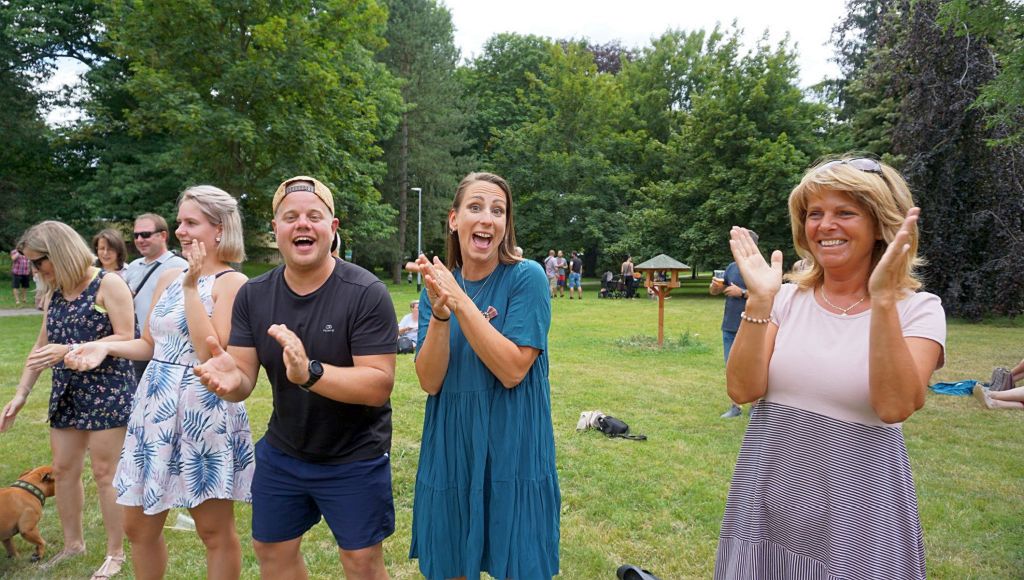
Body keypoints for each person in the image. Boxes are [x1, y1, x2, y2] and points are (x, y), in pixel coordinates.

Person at [714, 157, 946, 579]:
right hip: (767, 501)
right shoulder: (785, 300)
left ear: (880, 224)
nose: (825, 226)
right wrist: (760, 300)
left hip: (857, 516)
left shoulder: (918, 311)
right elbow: (742, 390)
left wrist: (882, 301)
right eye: (814, 214)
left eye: (845, 213)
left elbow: (895, 405)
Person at [194, 176, 398, 579]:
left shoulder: (365, 292)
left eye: (313, 216)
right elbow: (243, 379)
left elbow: (378, 385)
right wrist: (228, 382)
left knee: (361, 562)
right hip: (284, 451)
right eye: (290, 217)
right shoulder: (254, 295)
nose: (302, 224)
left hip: (354, 454)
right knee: (271, 550)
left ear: (332, 227)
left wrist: (310, 374)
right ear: (276, 229)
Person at [66, 186, 252, 580]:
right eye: (180, 221)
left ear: (220, 229)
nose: (180, 230)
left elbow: (209, 352)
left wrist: (192, 288)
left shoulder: (233, 283)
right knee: (137, 526)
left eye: (191, 223)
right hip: (153, 408)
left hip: (203, 409)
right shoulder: (169, 276)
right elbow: (150, 344)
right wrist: (104, 347)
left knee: (213, 530)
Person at [408, 172, 560, 579]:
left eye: (498, 210)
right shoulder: (436, 289)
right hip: (452, 444)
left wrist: (458, 302)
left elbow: (512, 370)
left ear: (506, 225)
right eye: (475, 207)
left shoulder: (526, 277)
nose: (487, 219)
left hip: (513, 443)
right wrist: (441, 313)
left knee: (520, 564)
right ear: (454, 219)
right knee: (451, 563)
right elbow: (430, 381)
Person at [0, 221, 136, 579]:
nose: (35, 270)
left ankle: (116, 553)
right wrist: (21, 394)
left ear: (59, 253)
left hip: (107, 390)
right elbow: (41, 347)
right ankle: (73, 545)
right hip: (67, 392)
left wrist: (74, 348)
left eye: (39, 261)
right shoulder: (56, 293)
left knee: (106, 473)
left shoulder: (108, 284)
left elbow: (129, 338)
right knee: (63, 470)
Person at [124, 213, 188, 382]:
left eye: (145, 234)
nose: (140, 240)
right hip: (137, 346)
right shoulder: (132, 267)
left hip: (164, 349)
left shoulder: (179, 266)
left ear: (163, 236)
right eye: (136, 235)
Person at [709, 232, 756, 419]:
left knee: (752, 367)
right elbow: (715, 291)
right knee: (731, 367)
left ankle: (755, 406)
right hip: (729, 325)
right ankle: (735, 406)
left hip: (752, 325)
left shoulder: (759, 268)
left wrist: (742, 292)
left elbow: (767, 294)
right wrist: (715, 288)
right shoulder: (731, 267)